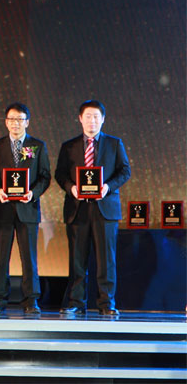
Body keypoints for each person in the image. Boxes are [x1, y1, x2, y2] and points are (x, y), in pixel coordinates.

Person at [55, 100, 130, 316]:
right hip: (77, 208)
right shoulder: (68, 146)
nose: (92, 121)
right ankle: (76, 302)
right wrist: (72, 188)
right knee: (77, 259)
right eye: (88, 116)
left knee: (106, 259)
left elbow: (125, 171)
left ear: (103, 119)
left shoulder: (114, 144)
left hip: (105, 209)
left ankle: (106, 303)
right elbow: (60, 174)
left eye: (96, 116)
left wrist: (108, 187)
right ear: (80, 119)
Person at [0, 103, 51, 315]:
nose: (15, 123)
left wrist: (33, 193)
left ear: (27, 122)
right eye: (12, 119)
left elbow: (45, 176)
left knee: (29, 257)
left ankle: (31, 299)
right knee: (1, 257)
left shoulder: (37, 146)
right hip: (3, 209)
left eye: (20, 119)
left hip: (27, 209)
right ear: (6, 122)